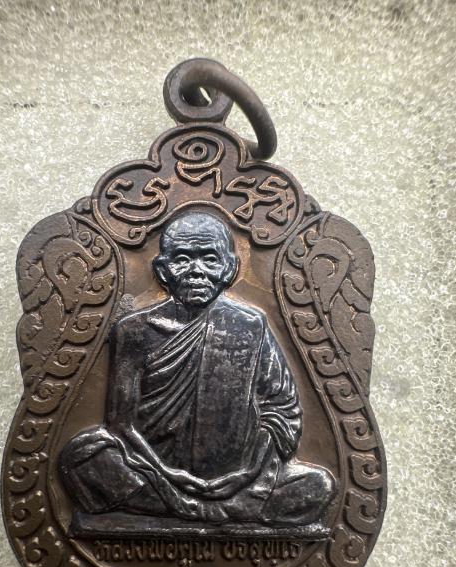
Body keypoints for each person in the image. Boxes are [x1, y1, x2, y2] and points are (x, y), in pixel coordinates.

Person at [59, 211, 334, 528]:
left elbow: (281, 411)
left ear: (229, 268)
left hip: (239, 479)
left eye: (209, 259)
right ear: (162, 270)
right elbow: (121, 424)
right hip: (153, 469)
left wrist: (246, 473)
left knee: (319, 485)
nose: (196, 271)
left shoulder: (250, 325)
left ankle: (184, 509)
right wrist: (167, 474)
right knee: (81, 457)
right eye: (182, 259)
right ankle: (215, 511)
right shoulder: (133, 330)